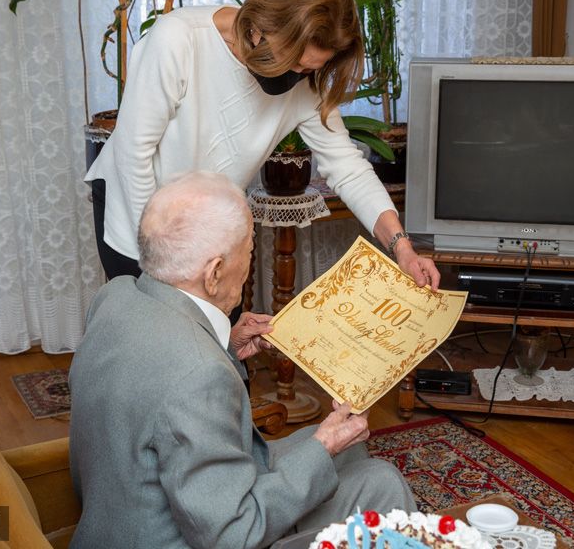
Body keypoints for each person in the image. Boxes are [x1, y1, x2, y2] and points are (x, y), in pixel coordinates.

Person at [68, 172, 416, 549]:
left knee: (349, 451)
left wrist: (226, 347)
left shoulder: (115, 297)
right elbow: (233, 535)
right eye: (249, 250)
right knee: (382, 483)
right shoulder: (199, 374)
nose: (249, 261)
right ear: (214, 273)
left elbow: (160, 385)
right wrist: (324, 445)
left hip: (123, 514)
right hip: (204, 534)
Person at [85, 0, 440, 290]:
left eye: (311, 69)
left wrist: (402, 248)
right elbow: (133, 155)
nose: (301, 76)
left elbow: (349, 170)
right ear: (258, 28)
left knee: (222, 330)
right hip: (137, 213)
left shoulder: (307, 83)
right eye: (295, 63)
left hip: (207, 224)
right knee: (159, 327)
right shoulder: (179, 39)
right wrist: (163, 262)